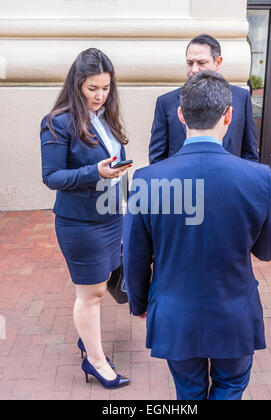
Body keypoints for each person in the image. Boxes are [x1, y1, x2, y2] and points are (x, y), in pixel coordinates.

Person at [123, 70, 271, 400]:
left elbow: (135, 255)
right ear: (228, 115)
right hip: (234, 312)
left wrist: (139, 302)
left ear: (181, 115)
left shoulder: (147, 180)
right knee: (230, 386)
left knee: (190, 391)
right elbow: (269, 251)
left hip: (174, 313)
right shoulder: (258, 178)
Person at [40, 48, 131, 389]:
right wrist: (95, 172)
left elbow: (112, 164)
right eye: (93, 88)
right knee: (90, 293)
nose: (100, 95)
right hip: (80, 224)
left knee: (102, 282)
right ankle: (95, 362)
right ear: (77, 84)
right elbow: (52, 177)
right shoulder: (57, 123)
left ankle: (87, 340)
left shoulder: (105, 116)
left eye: (106, 88)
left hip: (111, 218)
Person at [149, 34, 258, 164]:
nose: (194, 69)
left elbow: (249, 153)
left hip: (229, 182)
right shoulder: (165, 102)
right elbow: (157, 159)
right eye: (190, 63)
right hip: (184, 183)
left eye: (201, 62)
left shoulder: (241, 98)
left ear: (218, 62)